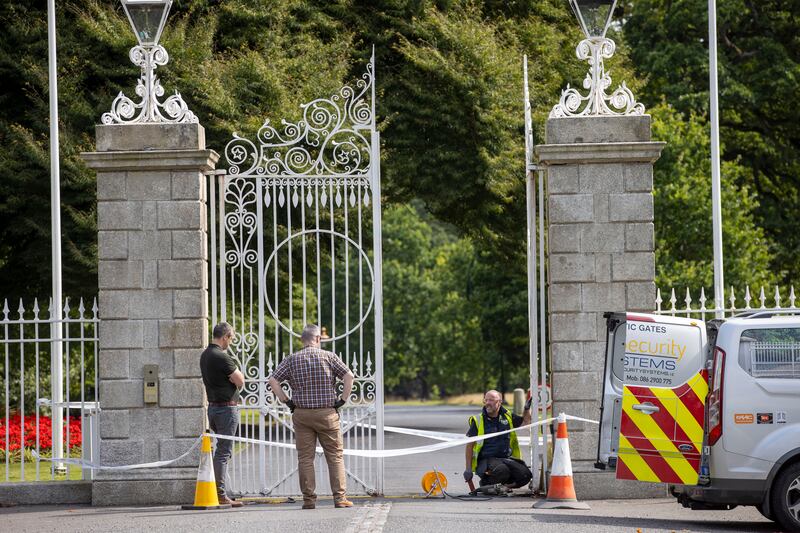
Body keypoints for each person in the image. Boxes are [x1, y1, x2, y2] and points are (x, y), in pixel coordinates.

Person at [267, 324, 355, 510]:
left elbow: (273, 380)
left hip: (302, 414)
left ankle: (309, 500)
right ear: (317, 339)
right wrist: (342, 400)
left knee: (305, 458)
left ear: (302, 339)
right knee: (335, 457)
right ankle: (339, 498)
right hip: (327, 413)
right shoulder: (329, 357)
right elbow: (349, 376)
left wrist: (286, 401)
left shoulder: (292, 359)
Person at [200, 322, 245, 508]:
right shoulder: (221, 356)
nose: (231, 342)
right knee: (223, 452)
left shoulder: (205, 355)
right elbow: (240, 381)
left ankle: (221, 490)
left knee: (221, 451)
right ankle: (221, 495)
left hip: (213, 407)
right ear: (225, 336)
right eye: (231, 338)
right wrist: (233, 379)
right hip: (226, 409)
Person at [464, 389, 533, 489]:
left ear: (499, 402)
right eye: (486, 400)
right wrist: (468, 469)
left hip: (505, 458)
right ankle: (486, 483)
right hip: (486, 460)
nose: (487, 403)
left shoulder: (507, 416)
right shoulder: (478, 420)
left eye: (491, 400)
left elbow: (526, 422)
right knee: (502, 470)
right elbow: (469, 445)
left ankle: (503, 487)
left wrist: (526, 409)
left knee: (525, 475)